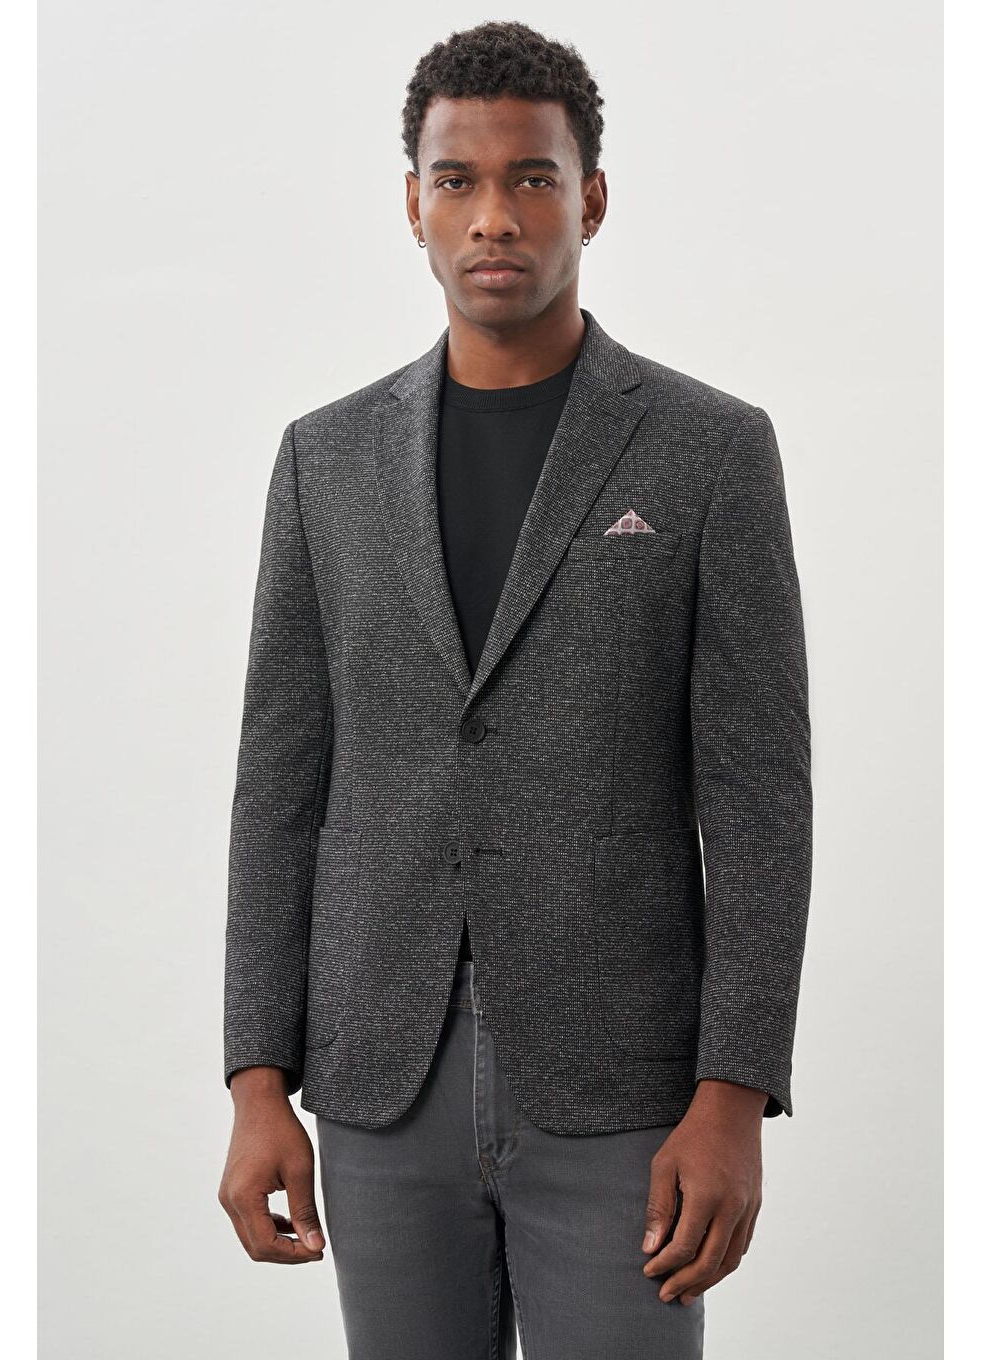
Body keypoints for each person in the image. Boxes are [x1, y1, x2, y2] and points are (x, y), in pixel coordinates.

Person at [218, 19, 812, 1360]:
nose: (495, 215)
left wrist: (734, 1093)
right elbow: (279, 787)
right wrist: (258, 1078)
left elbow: (759, 801)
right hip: (377, 1082)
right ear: (413, 205)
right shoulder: (324, 461)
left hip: (627, 1093)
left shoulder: (711, 450)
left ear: (590, 198)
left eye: (532, 178)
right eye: (458, 180)